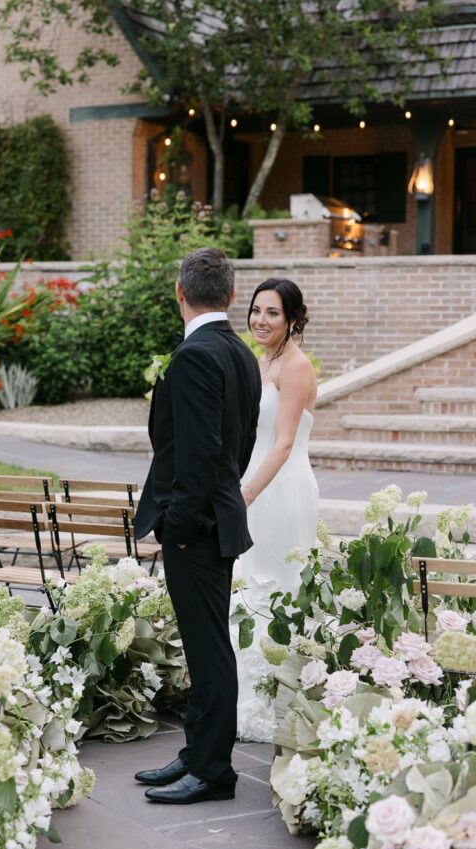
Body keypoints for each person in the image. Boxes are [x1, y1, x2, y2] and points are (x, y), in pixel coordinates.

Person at [134, 248, 262, 804]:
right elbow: (241, 444)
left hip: (198, 528)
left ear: (180, 294)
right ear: (232, 296)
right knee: (203, 643)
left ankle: (213, 771)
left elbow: (199, 454)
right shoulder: (241, 353)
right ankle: (195, 753)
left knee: (208, 649)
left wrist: (181, 525)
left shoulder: (194, 356)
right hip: (220, 518)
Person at [234, 278, 319, 743]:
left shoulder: (296, 366)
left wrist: (246, 495)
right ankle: (246, 698)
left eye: (272, 313)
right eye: (256, 310)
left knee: (278, 589)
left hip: (280, 491)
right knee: (248, 589)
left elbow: (284, 443)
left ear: (291, 320)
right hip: (251, 483)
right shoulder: (259, 361)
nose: (260, 320)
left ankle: (279, 700)